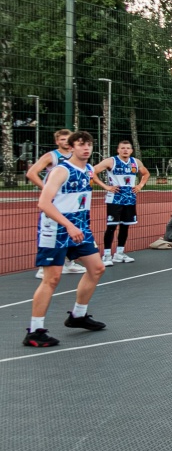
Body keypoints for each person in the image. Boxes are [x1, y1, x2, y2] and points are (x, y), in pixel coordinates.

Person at [24, 129, 106, 348]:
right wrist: (68, 225)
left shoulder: (89, 170)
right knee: (52, 279)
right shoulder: (61, 170)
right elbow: (44, 203)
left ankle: (78, 315)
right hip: (56, 230)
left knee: (97, 268)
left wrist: (78, 225)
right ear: (70, 147)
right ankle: (34, 331)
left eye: (88, 144)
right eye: (80, 144)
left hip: (79, 228)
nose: (86, 148)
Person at [29, 128, 86, 279]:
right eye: (62, 139)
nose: (65, 142)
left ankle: (68, 262)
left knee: (71, 228)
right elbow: (31, 173)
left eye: (68, 139)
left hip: (70, 200)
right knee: (51, 230)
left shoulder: (76, 156)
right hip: (54, 200)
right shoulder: (52, 156)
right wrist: (45, 188)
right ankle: (44, 267)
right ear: (57, 141)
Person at [93, 138, 150, 265]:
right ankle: (107, 255)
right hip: (115, 198)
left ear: (131, 150)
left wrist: (140, 186)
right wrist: (106, 187)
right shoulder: (111, 161)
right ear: (118, 150)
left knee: (125, 226)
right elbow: (92, 172)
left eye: (128, 148)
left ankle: (119, 253)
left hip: (130, 198)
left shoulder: (135, 162)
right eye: (122, 148)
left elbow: (146, 174)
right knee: (112, 226)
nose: (125, 150)